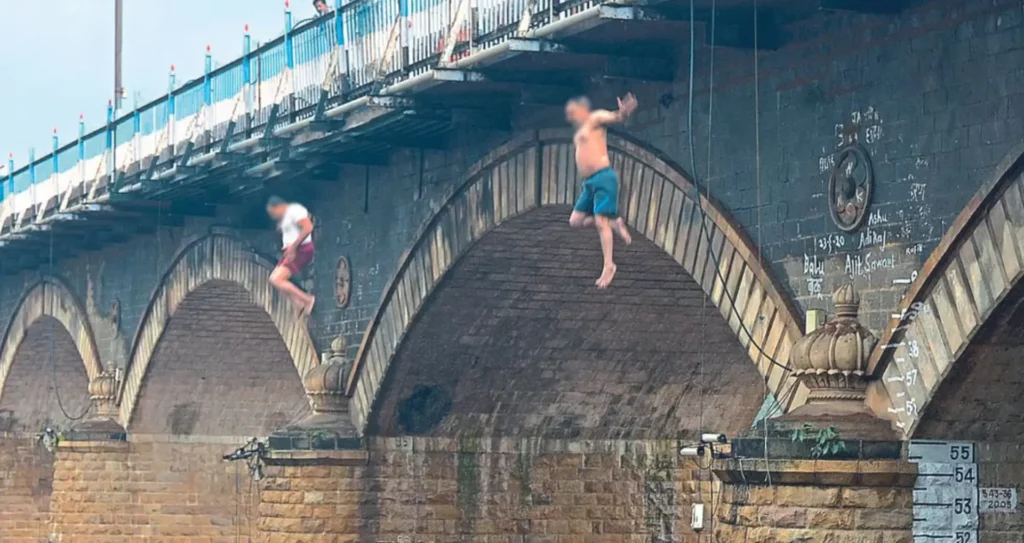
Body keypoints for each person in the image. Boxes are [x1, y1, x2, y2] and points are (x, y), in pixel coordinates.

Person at [565, 93, 637, 288]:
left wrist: (623, 114)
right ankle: (615, 223)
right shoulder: (580, 132)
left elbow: (615, 118)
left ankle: (609, 265)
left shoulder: (595, 118)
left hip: (604, 177)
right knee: (575, 221)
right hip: (589, 184)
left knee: (600, 221)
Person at [267, 196, 316, 315]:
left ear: (279, 206)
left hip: (300, 249)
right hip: (291, 250)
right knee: (273, 278)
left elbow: (308, 227)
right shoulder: (287, 216)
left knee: (277, 279)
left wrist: (294, 247)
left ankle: (307, 300)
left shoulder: (295, 210)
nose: (273, 216)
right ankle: (298, 303)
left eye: (273, 212)